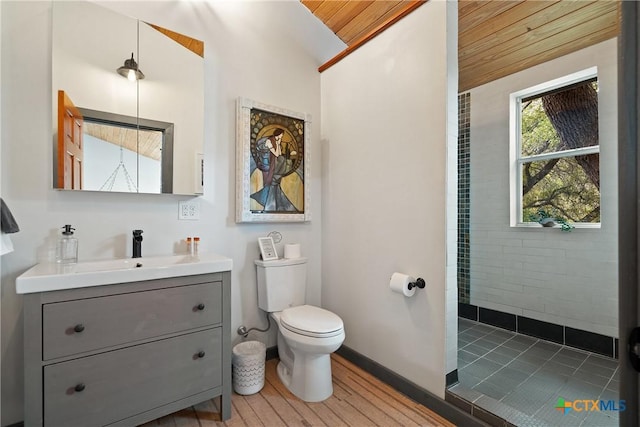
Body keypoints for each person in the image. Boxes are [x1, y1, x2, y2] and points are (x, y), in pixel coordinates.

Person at [251, 128, 298, 211]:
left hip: (271, 161)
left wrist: (278, 143)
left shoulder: (275, 141)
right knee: (279, 166)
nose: (282, 136)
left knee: (282, 161)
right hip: (266, 164)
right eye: (281, 135)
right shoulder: (269, 141)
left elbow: (279, 153)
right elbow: (275, 154)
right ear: (278, 134)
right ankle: (267, 200)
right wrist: (278, 143)